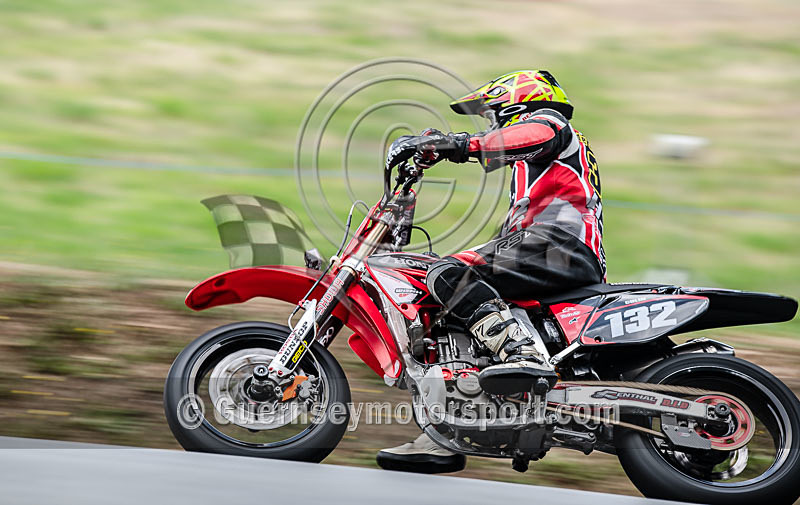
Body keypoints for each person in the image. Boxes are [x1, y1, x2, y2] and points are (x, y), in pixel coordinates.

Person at [376, 70, 606, 474]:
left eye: (493, 113)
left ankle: (523, 354)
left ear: (518, 102)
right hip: (544, 247)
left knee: (450, 274)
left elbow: (529, 135)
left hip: (559, 245)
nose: (491, 123)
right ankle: (444, 432)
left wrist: (458, 144)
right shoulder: (534, 171)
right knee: (448, 309)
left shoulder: (551, 124)